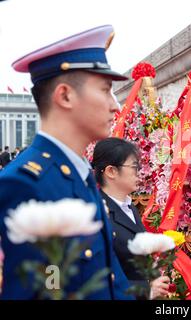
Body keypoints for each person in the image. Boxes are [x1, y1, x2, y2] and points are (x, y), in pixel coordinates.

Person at [0, 25, 134, 300]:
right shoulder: (26, 183)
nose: (115, 105)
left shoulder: (78, 171)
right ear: (65, 95)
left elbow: (109, 278)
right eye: (106, 90)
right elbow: (48, 290)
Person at [92, 137, 170, 299]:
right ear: (111, 171)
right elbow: (98, 277)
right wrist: (146, 289)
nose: (138, 172)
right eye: (134, 167)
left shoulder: (128, 207)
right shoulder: (98, 214)